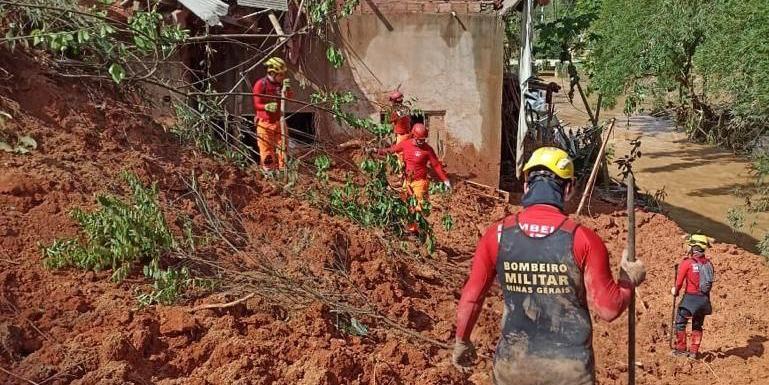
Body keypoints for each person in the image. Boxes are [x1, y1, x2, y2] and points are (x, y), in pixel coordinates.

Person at [452, 147, 647, 385]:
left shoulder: (498, 235)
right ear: (568, 189)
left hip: (513, 367)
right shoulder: (583, 239)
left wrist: (462, 341)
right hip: (569, 373)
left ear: (526, 186)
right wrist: (628, 280)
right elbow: (608, 309)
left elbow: (472, 298)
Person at [376, 123, 450, 217]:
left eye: (423, 140)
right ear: (414, 136)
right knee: (406, 204)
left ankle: (416, 229)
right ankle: (409, 227)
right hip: (407, 181)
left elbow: (435, 165)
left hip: (420, 182)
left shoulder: (427, 150)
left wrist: (445, 180)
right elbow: (392, 150)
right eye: (419, 139)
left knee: (418, 208)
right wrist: (376, 150)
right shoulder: (406, 144)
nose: (421, 142)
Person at [671, 233, 715, 359]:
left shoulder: (687, 263)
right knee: (697, 325)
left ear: (693, 248)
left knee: (680, 322)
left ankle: (681, 349)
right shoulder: (709, 264)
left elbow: (678, 283)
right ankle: (694, 352)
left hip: (690, 300)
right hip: (704, 301)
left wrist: (676, 291)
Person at [252, 57, 292, 173]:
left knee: (283, 148)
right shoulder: (260, 84)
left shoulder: (280, 85)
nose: (282, 77)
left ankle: (283, 171)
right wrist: (266, 107)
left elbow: (288, 97)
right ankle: (269, 175)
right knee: (267, 151)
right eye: (280, 74)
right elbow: (256, 104)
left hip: (279, 121)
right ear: (272, 73)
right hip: (265, 123)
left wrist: (287, 89)